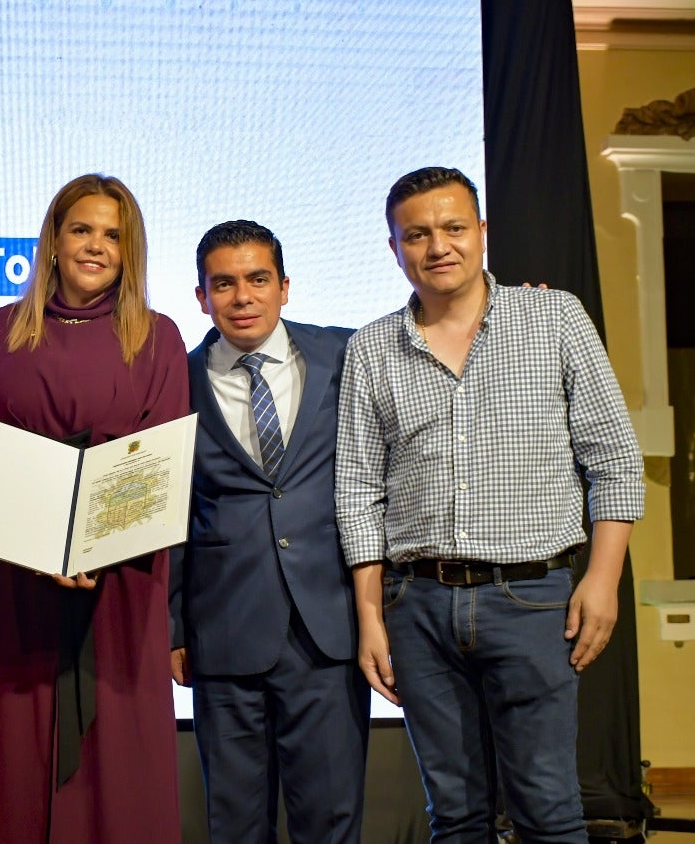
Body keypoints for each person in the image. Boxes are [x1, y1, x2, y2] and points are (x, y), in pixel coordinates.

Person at [335, 166, 645, 842]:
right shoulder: (371, 349)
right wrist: (369, 615)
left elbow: (614, 460)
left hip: (533, 600)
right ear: (394, 248)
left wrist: (603, 577)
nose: (436, 246)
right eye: (416, 234)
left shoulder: (555, 317)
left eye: (452, 228)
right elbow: (358, 490)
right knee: (456, 815)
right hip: (416, 607)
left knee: (549, 809)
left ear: (481, 233)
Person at [0, 174, 188, 842]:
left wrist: (89, 548)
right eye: (81, 229)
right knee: (12, 754)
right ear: (54, 241)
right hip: (16, 583)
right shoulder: (4, 329)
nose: (96, 245)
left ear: (131, 250)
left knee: (119, 772)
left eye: (113, 235)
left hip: (117, 585)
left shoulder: (157, 335)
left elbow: (159, 462)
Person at [169, 220, 368, 843]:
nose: (242, 296)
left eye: (257, 279)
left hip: (329, 627)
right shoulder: (174, 379)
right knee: (234, 824)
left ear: (285, 287)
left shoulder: (348, 354)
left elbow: (442, 333)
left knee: (330, 821)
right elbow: (169, 511)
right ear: (201, 297)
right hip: (223, 630)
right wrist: (173, 626)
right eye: (222, 284)